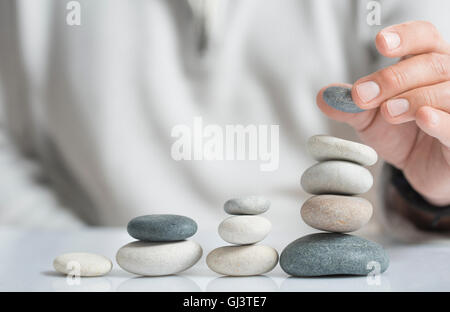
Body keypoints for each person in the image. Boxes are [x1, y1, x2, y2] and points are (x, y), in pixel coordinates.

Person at [0, 0, 449, 241]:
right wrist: (90, 262)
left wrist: (428, 194)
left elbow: (424, 143)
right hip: (103, 260)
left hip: (330, 264)